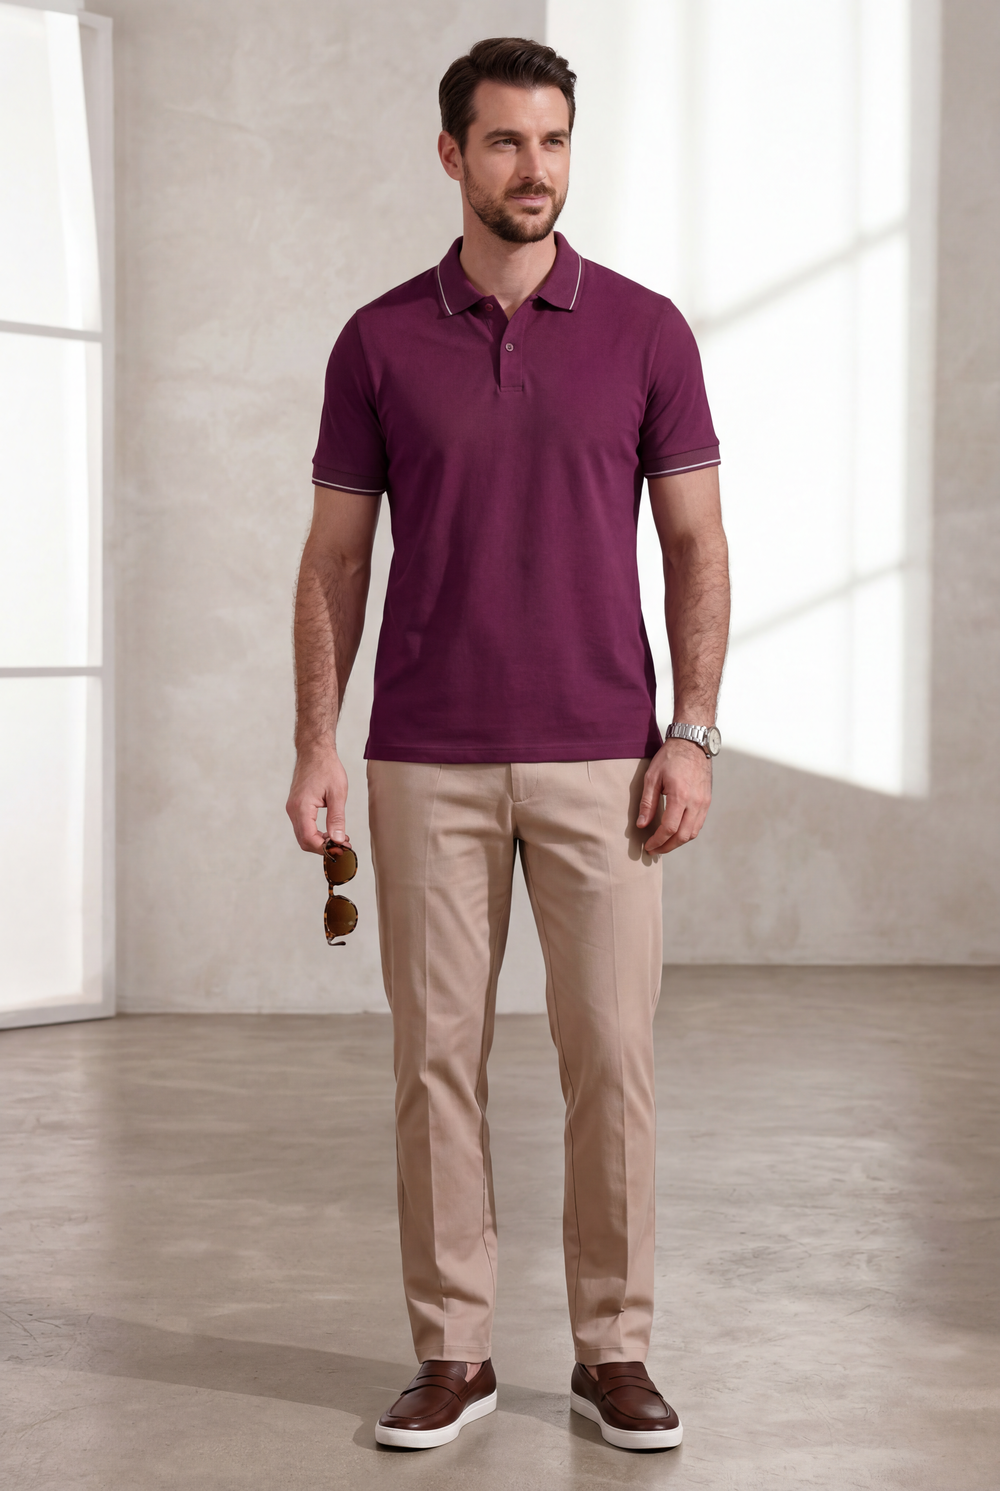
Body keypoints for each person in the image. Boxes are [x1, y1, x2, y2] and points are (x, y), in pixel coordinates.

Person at [286, 36, 730, 1453]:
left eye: (552, 141)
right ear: (452, 155)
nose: (533, 169)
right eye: (504, 142)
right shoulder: (377, 341)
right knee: (436, 1062)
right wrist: (316, 744)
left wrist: (692, 732)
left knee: (613, 1058)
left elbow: (697, 545)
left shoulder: (648, 331)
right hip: (426, 755)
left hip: (608, 755)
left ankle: (615, 1350)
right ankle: (455, 1352)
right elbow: (334, 563)